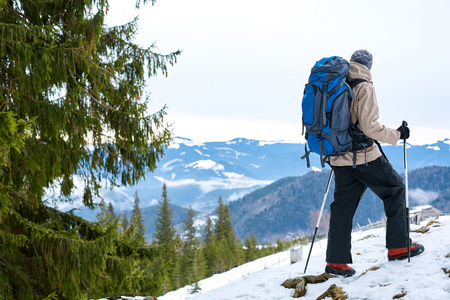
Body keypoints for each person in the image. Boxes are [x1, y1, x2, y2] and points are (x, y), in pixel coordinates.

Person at [324, 50, 424, 277]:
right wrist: (398, 135)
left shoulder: (336, 83)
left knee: (342, 208)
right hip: (363, 156)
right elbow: (369, 127)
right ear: (368, 66)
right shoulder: (364, 86)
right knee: (395, 189)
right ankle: (399, 246)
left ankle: (336, 263)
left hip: (339, 157)